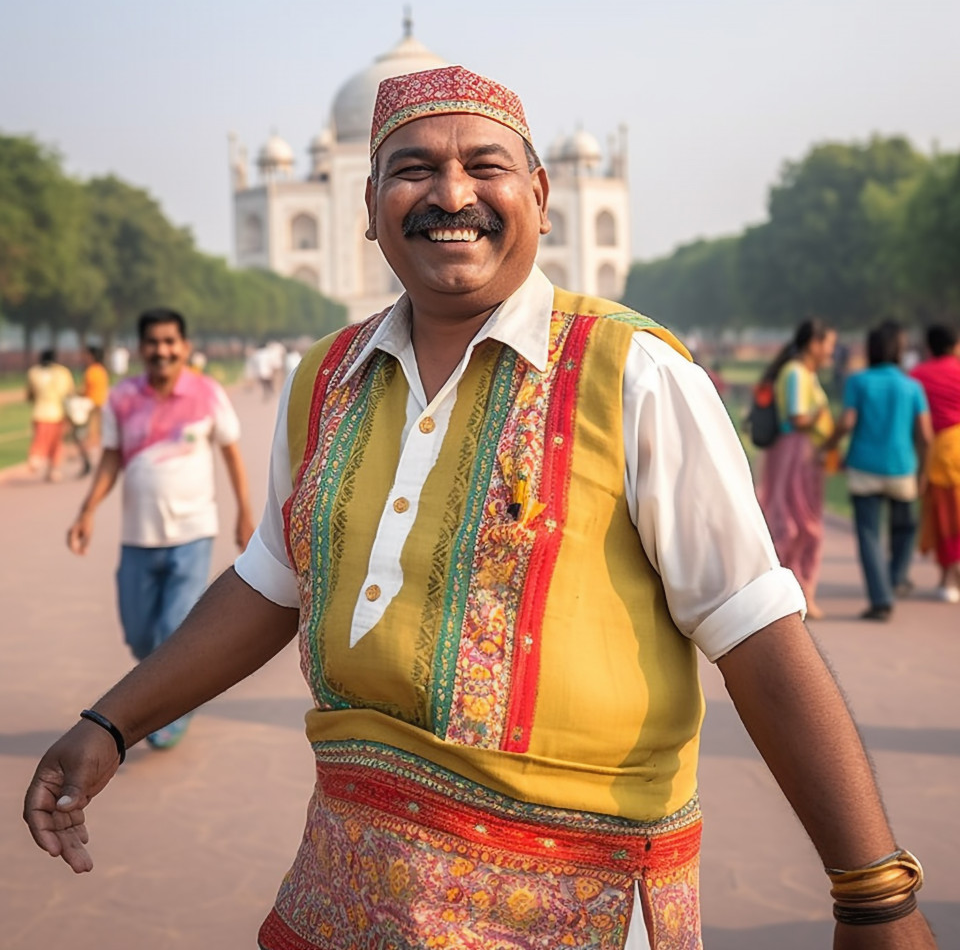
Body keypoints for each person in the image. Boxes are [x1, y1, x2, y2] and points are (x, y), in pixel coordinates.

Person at [24, 68, 935, 950]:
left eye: (485, 166)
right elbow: (273, 581)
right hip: (352, 889)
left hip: (574, 897)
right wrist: (112, 722)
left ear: (542, 195)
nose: (450, 193)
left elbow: (756, 631)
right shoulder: (328, 379)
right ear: (368, 204)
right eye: (413, 168)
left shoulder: (632, 373)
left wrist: (873, 893)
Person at [62, 308, 255, 748]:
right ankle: (169, 688)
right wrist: (87, 509)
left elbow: (231, 453)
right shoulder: (123, 397)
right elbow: (111, 457)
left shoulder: (207, 394)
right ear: (141, 348)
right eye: (154, 342)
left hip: (192, 532)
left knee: (173, 629)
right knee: (140, 633)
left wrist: (244, 512)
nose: (162, 350)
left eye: (171, 342)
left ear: (184, 348)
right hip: (139, 536)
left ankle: (168, 712)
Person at [824, 321, 931, 620]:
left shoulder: (859, 381)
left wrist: (828, 445)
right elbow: (924, 434)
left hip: (864, 467)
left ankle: (881, 599)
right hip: (902, 467)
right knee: (904, 530)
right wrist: (923, 470)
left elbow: (846, 422)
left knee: (869, 536)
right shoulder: (911, 386)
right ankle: (896, 577)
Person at [756, 319, 838, 619]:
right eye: (828, 343)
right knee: (794, 523)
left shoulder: (806, 374)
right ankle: (790, 594)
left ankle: (800, 592)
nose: (832, 350)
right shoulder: (796, 373)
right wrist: (825, 418)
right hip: (795, 454)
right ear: (813, 344)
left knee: (802, 523)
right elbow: (797, 417)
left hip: (804, 455)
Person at [911, 323, 960, 603]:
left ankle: (947, 578)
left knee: (944, 519)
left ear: (929, 348)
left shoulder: (918, 376)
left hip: (938, 454)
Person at [25, 348, 75, 482]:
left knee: (40, 439)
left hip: (40, 412)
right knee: (56, 443)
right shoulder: (63, 372)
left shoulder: (33, 373)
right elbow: (69, 393)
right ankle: (53, 469)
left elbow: (30, 394)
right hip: (57, 412)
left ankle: (36, 458)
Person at [74, 345, 110, 475]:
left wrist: (75, 394)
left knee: (84, 435)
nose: (83, 358)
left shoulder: (92, 371)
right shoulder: (101, 370)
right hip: (100, 405)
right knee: (94, 435)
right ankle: (90, 460)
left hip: (92, 407)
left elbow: (86, 391)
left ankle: (89, 460)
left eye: (86, 355)